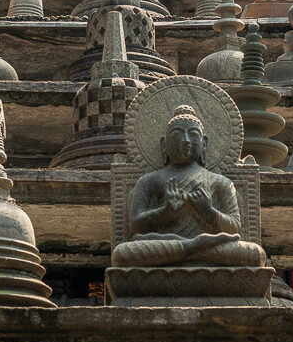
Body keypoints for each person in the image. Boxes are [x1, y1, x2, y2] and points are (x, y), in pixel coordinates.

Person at [111, 105, 265, 267]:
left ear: (204, 143)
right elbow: (135, 225)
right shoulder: (150, 180)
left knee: (255, 254)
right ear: (164, 144)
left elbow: (235, 228)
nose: (185, 140)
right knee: (122, 254)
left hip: (174, 253)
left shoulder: (220, 182)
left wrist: (209, 212)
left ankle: (190, 248)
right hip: (172, 247)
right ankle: (195, 246)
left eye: (193, 134)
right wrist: (165, 212)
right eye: (177, 134)